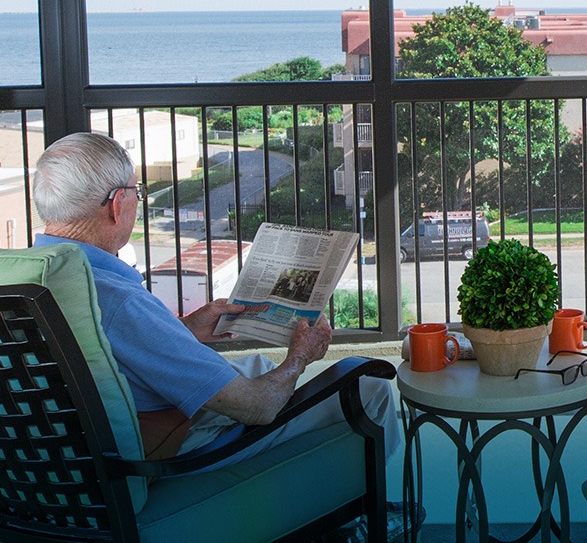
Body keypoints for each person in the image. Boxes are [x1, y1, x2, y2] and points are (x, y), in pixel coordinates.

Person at [30, 132, 411, 536]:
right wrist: (300, 356)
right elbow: (259, 407)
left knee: (257, 363)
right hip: (167, 451)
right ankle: (364, 518)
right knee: (369, 388)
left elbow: (105, 356)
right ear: (116, 204)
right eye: (135, 192)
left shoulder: (36, 279)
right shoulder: (115, 298)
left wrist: (182, 333)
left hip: (74, 457)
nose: (138, 202)